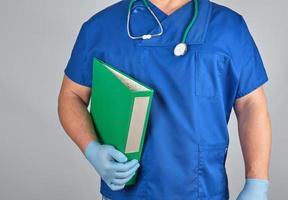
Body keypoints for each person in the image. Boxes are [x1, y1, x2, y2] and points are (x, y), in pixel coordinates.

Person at [57, 0, 272, 199]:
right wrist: (92, 148)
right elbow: (71, 95)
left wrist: (256, 182)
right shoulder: (102, 28)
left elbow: (250, 104)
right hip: (127, 192)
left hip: (203, 191)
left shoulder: (228, 28)